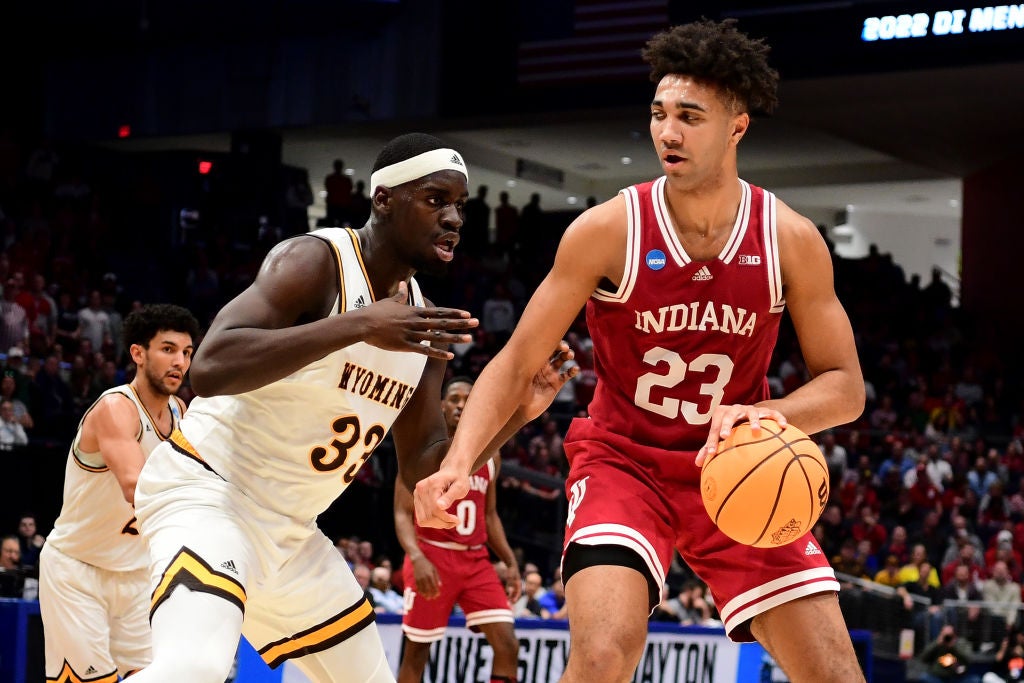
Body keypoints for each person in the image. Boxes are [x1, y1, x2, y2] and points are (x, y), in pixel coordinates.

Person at [415, 19, 866, 683]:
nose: (668, 132)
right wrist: (458, 462)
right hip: (623, 463)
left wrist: (773, 416)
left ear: (737, 126)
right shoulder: (609, 229)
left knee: (836, 674)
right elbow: (515, 362)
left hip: (738, 466)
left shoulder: (789, 239)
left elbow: (845, 386)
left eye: (690, 116)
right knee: (601, 655)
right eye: (659, 114)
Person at [128, 133, 577, 683]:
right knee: (193, 668)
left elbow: (422, 468)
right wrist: (359, 325)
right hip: (210, 494)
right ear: (383, 200)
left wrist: (518, 416)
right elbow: (210, 368)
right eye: (436, 200)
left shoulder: (422, 323)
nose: (455, 218)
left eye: (460, 205)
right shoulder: (314, 260)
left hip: (292, 530)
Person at [38, 303, 199, 682]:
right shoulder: (116, 407)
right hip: (79, 570)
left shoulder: (180, 410)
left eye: (187, 353)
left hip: (137, 574)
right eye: (168, 349)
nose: (180, 362)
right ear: (138, 353)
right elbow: (137, 487)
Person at [394, 375, 521, 683]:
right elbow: (401, 512)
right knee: (417, 653)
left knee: (507, 645)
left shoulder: (491, 455)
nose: (461, 406)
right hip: (431, 555)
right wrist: (416, 556)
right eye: (454, 400)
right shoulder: (420, 453)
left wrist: (509, 561)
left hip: (475, 560)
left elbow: (489, 516)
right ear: (441, 406)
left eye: (467, 400)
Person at [324, 158, 354, 227]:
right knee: (340, 224)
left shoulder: (330, 179)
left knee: (333, 225)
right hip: (341, 205)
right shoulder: (346, 180)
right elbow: (349, 192)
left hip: (335, 204)